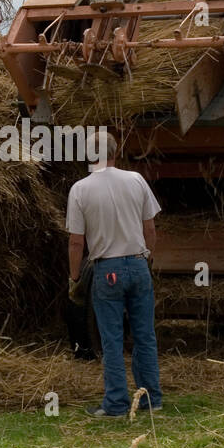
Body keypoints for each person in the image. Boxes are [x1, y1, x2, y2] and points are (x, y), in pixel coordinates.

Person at [66, 130, 163, 417]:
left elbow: (76, 242)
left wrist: (74, 278)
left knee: (112, 338)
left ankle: (117, 404)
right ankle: (151, 399)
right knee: (145, 335)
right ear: (115, 152)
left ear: (88, 156)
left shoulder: (80, 189)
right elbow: (150, 229)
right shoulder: (136, 180)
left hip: (106, 269)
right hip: (137, 263)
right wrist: (146, 257)